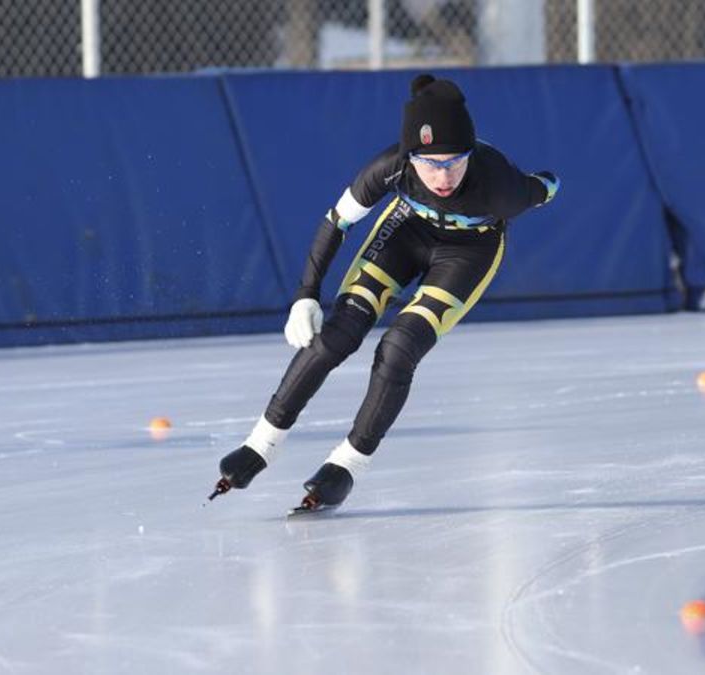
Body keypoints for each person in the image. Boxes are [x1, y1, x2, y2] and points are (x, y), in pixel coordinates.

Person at [208, 73, 559, 512]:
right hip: (405, 231)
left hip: (469, 252)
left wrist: (546, 183)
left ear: (471, 154)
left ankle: (349, 463)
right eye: (429, 163)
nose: (443, 176)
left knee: (399, 347)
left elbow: (544, 187)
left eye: (454, 161)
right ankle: (261, 444)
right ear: (409, 156)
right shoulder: (389, 166)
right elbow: (337, 221)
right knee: (339, 333)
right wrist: (306, 294)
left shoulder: (502, 188)